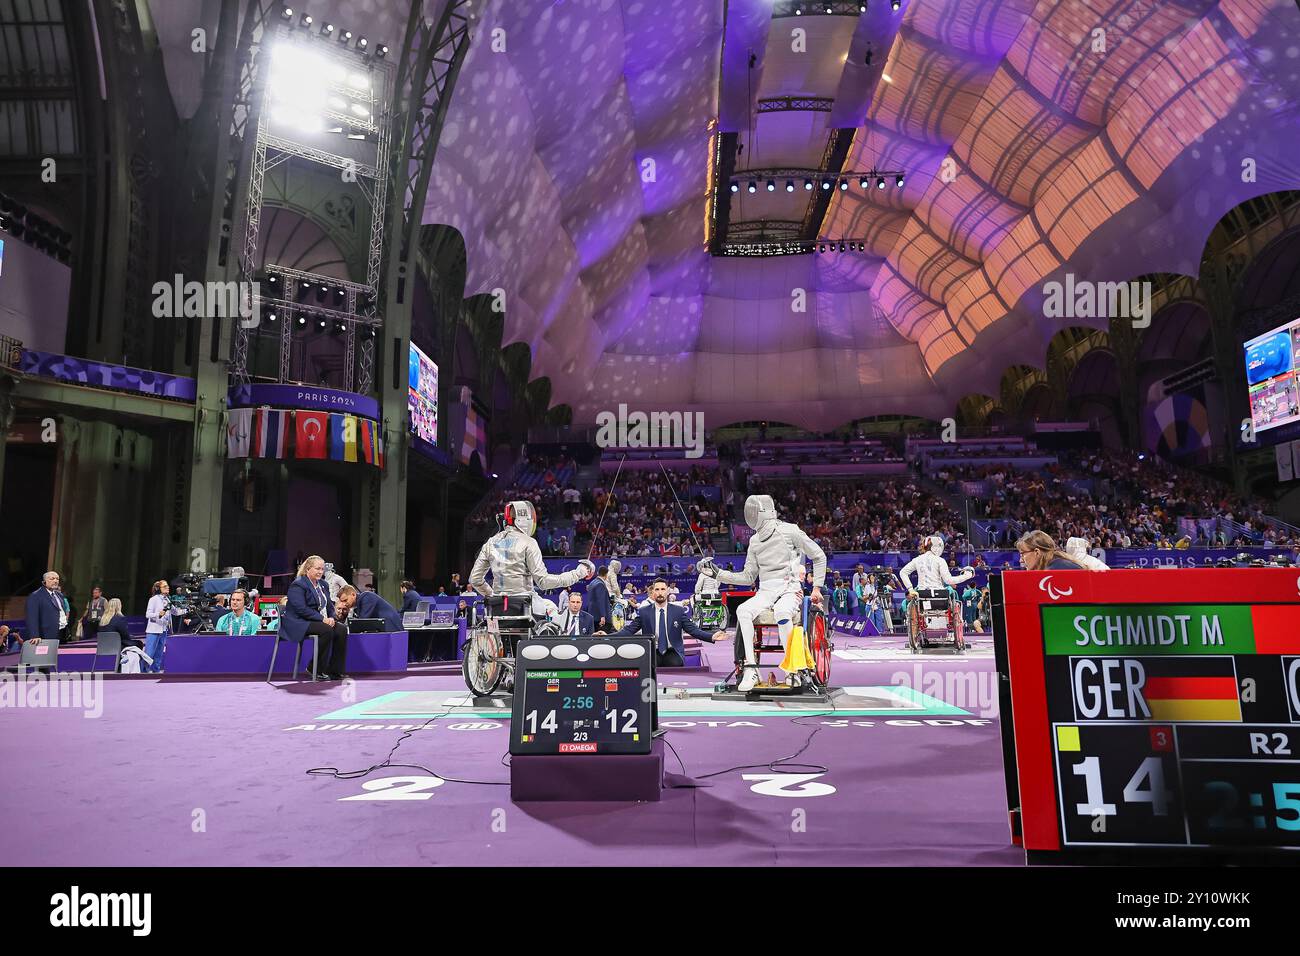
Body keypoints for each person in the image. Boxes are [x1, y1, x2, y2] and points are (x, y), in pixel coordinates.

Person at [697, 494, 825, 692]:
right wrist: (717, 574)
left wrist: (816, 587)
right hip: (766, 590)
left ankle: (793, 671)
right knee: (743, 611)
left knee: (783, 612)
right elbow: (748, 577)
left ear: (765, 512)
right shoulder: (755, 541)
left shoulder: (790, 531)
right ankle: (751, 668)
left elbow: (818, 555)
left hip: (789, 589)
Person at [468, 501, 594, 615]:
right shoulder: (529, 542)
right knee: (552, 609)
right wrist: (578, 573)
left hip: (496, 609)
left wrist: (494, 597)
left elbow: (475, 579)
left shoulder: (490, 542)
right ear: (524, 520)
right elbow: (543, 581)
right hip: (524, 606)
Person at [614, 578, 721, 667]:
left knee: (674, 664)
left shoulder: (678, 611)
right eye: (657, 589)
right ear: (653, 592)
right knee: (648, 665)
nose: (660, 592)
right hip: (653, 651)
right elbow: (629, 630)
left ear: (668, 591)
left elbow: (693, 630)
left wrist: (711, 637)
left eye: (663, 589)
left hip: (673, 651)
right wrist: (608, 636)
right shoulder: (644, 611)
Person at [281, 555, 350, 680]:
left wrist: (333, 618)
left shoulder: (323, 584)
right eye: (317, 569)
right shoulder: (298, 585)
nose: (320, 572)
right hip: (298, 622)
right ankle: (315, 668)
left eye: (322, 569)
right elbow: (301, 609)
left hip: (314, 621)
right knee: (326, 629)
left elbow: (329, 605)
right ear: (308, 569)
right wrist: (323, 619)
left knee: (341, 629)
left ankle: (335, 671)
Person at [899, 534, 974, 605]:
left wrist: (910, 589)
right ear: (936, 547)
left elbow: (903, 572)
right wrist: (967, 575)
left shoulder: (917, 559)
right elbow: (949, 580)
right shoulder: (940, 560)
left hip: (921, 597)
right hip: (939, 597)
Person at [336, 584, 403, 632]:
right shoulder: (359, 605)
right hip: (386, 631)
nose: (344, 604)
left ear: (353, 594)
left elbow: (362, 622)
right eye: (342, 602)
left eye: (345, 600)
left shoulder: (367, 597)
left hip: (392, 630)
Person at [24, 571, 64, 645]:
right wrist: (35, 635)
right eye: (52, 579)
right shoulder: (35, 596)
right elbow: (32, 617)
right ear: (44, 581)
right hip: (43, 636)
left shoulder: (60, 595)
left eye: (57, 579)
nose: (55, 581)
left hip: (59, 635)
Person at [1016, 530, 1086, 571]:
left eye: (1022, 554)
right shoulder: (1057, 564)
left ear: (1037, 552)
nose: (1020, 560)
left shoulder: (1056, 571)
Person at [144, 579, 172, 673]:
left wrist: (186, 610)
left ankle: (156, 671)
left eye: (167, 586)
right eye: (165, 586)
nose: (167, 587)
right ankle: (144, 671)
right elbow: (148, 614)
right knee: (149, 653)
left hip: (164, 630)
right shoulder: (153, 599)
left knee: (159, 653)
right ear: (159, 589)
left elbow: (174, 611)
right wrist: (158, 614)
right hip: (153, 630)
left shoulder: (168, 599)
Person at [587, 566, 612, 633]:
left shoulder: (592, 582)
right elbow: (601, 601)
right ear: (606, 574)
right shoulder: (600, 584)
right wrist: (602, 616)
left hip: (593, 615)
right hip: (599, 618)